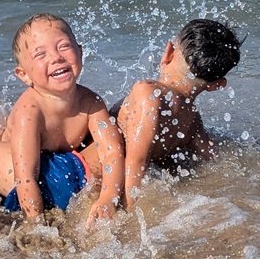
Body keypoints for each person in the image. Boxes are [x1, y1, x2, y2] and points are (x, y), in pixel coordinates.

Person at [0, 13, 125, 226]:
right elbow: (25, 177)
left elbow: (112, 151)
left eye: (64, 46)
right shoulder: (30, 111)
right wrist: (37, 225)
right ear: (24, 75)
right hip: (13, 169)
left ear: (80, 53)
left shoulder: (91, 102)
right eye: (40, 55)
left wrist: (108, 198)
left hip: (48, 162)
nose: (56, 57)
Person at [81, 18, 242, 210]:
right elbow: (215, 157)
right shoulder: (192, 120)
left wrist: (128, 212)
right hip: (99, 185)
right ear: (217, 85)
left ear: (168, 52)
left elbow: (136, 162)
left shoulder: (148, 94)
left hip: (80, 175)